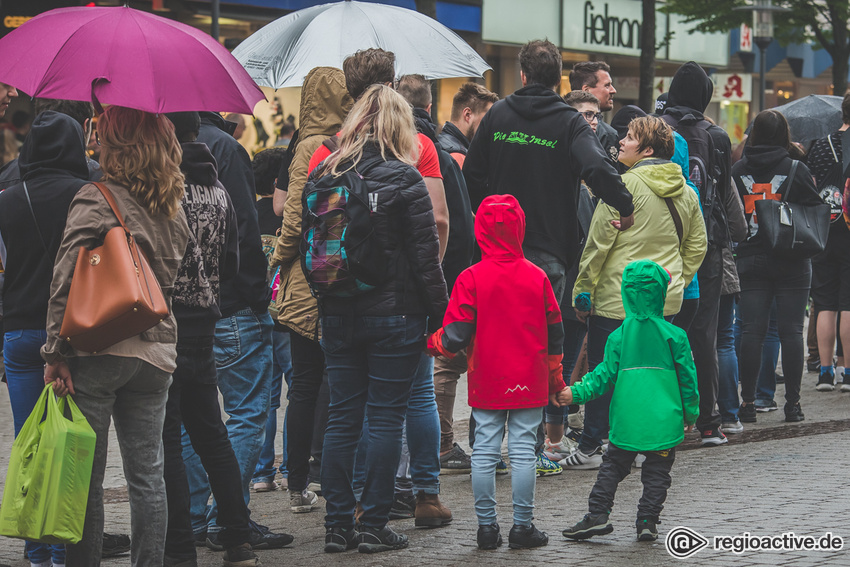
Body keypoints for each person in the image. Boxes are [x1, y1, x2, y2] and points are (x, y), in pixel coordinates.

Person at [463, 39, 634, 477]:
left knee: (493, 342)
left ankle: (486, 444)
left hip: (497, 251)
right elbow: (598, 168)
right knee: (540, 346)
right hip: (549, 253)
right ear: (558, 78)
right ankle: (533, 447)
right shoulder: (569, 122)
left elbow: (473, 177)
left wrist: (488, 219)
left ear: (521, 75)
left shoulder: (497, 116)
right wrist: (624, 204)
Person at [41, 106, 190, 565]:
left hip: (100, 348)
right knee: (148, 475)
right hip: (157, 351)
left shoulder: (96, 196)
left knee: (85, 475)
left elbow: (66, 276)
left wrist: (54, 350)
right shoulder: (172, 202)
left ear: (115, 145)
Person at [317, 84, 448, 554]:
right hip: (396, 316)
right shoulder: (405, 178)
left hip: (337, 313)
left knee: (341, 419)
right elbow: (425, 257)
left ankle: (336, 525)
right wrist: (440, 314)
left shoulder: (327, 173)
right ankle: (373, 523)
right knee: (386, 418)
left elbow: (314, 250)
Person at [161, 111, 273, 567]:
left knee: (173, 435)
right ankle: (236, 538)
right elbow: (233, 257)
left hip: (167, 325)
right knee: (214, 433)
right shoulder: (218, 190)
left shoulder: (163, 190)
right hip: (209, 319)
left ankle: (181, 542)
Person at [427, 194, 566, 550]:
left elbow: (455, 335)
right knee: (522, 451)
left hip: (488, 375)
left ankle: (487, 528)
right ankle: (523, 527)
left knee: (485, 451)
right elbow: (555, 333)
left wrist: (430, 342)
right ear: (520, 228)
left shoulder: (470, 277)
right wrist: (556, 379)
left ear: (479, 231)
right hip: (529, 377)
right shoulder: (538, 277)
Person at [566, 116, 706, 469]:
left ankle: (590, 445)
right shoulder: (687, 191)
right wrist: (677, 279)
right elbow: (697, 244)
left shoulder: (621, 188)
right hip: (664, 300)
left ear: (646, 150)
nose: (621, 143)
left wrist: (582, 294)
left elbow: (598, 246)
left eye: (629, 138)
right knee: (652, 371)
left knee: (604, 372)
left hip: (616, 299)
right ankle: (649, 442)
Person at [184, 110, 284, 549]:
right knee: (246, 413)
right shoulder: (225, 149)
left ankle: (192, 517)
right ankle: (227, 517)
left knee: (190, 418)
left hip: (179, 309)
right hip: (232, 305)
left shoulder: (154, 148)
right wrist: (257, 297)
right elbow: (242, 230)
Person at [0, 110, 89, 567]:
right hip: (73, 333)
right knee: (70, 443)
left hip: (18, 332)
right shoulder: (86, 195)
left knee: (31, 441)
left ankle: (35, 552)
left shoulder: (7, 197)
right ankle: (63, 547)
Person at [561, 260, 699, 543]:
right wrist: (691, 414)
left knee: (612, 467)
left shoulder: (618, 336)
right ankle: (647, 521)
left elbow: (601, 376)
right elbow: (688, 381)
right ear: (662, 293)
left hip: (627, 421)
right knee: (657, 473)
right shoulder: (676, 336)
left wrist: (574, 393)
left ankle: (598, 514)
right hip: (664, 422)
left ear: (625, 294)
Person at [270, 66, 353, 514]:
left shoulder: (308, 146)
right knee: (339, 382)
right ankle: (331, 476)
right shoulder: (355, 141)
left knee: (303, 383)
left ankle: (298, 480)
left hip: (307, 280)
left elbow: (295, 217)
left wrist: (278, 259)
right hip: (346, 281)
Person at [732, 109, 823, 423]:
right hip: (792, 259)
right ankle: (793, 404)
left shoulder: (737, 169)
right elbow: (815, 207)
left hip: (751, 258)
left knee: (750, 332)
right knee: (791, 332)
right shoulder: (795, 168)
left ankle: (748, 403)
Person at [662, 61, 734, 446]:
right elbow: (723, 193)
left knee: (662, 329)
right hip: (706, 244)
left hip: (661, 243)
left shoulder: (655, 127)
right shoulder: (716, 136)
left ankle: (665, 416)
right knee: (704, 333)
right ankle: (708, 421)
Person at [250, 146, 295, 492]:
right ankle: (294, 468)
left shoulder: (249, 214)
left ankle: (262, 473)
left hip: (259, 312)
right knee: (299, 391)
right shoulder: (289, 216)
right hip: (289, 316)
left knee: (264, 397)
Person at [806, 91, 850, 392]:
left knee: (824, 303)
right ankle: (847, 372)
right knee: (848, 304)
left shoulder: (822, 145)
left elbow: (810, 185)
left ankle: (824, 373)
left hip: (824, 228)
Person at [437, 82, 498, 168]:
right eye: (487, 119)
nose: (490, 126)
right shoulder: (459, 157)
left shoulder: (439, 143)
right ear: (467, 115)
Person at [569, 61, 619, 163]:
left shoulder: (556, 122)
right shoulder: (607, 134)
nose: (613, 90)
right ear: (586, 90)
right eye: (607, 85)